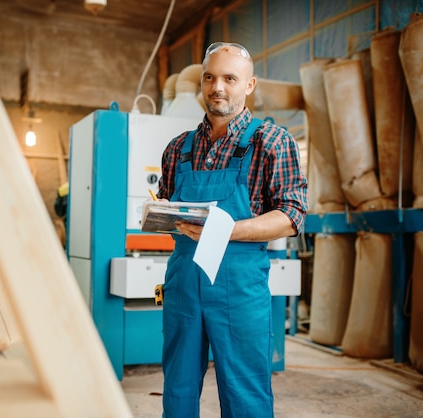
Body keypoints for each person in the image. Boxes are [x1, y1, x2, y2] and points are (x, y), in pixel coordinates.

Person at [156, 42, 308, 417]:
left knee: (245, 395)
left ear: (249, 85)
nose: (217, 87)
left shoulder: (271, 141)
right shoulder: (178, 149)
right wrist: (159, 214)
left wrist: (225, 230)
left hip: (238, 287)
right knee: (177, 387)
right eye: (209, 77)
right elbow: (165, 206)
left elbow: (292, 215)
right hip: (184, 281)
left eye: (229, 78)